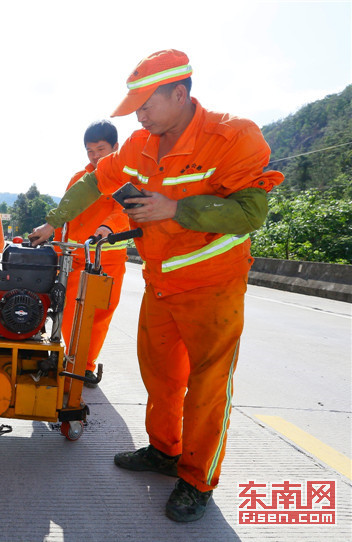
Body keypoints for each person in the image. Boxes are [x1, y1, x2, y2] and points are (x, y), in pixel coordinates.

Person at [30, 50, 283, 522]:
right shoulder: (140, 145)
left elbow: (252, 214)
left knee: (207, 387)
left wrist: (174, 208)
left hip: (213, 286)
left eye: (146, 105)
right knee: (162, 377)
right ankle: (165, 451)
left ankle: (196, 479)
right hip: (160, 282)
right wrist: (52, 223)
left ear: (179, 94)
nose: (140, 116)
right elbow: (94, 184)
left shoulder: (233, 137)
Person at [52, 120, 128, 387]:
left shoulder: (126, 178)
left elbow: (126, 211)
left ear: (115, 147)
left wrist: (109, 226)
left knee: (100, 314)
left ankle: (85, 365)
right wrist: (56, 250)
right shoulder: (79, 179)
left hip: (109, 258)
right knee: (70, 311)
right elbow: (65, 218)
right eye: (90, 150)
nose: (95, 156)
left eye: (100, 148)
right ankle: (73, 359)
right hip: (75, 258)